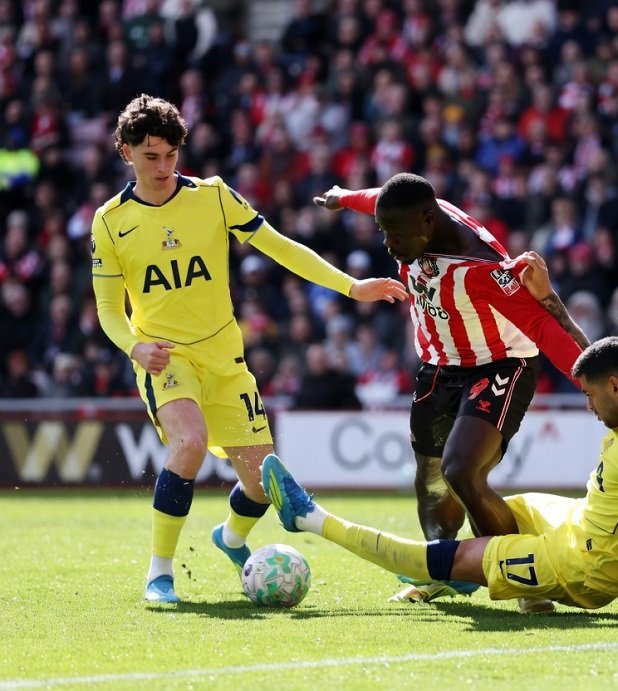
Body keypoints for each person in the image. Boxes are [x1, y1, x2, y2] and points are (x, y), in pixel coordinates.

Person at [91, 94, 407, 604]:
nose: (163, 166)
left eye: (171, 154)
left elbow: (280, 246)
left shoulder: (213, 197)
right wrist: (135, 346)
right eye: (150, 156)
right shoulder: (109, 222)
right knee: (189, 444)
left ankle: (230, 538)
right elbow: (108, 309)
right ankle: (159, 574)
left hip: (225, 358)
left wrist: (353, 287)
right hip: (167, 359)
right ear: (126, 152)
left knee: (261, 483)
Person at [261, 336, 618, 622]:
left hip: (587, 567)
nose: (588, 405)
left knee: (438, 557)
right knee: (502, 503)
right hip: (577, 521)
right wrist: (552, 300)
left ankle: (310, 518)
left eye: (590, 396)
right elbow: (601, 354)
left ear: (616, 388)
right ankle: (482, 581)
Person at [313, 173, 589, 610]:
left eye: (395, 234)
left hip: (501, 362)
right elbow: (378, 201)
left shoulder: (480, 267)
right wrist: (343, 197)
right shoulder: (417, 215)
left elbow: (539, 325)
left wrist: (588, 380)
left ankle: (525, 582)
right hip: (439, 366)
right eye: (384, 232)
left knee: (462, 470)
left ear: (428, 219)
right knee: (431, 480)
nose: (388, 245)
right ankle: (443, 571)